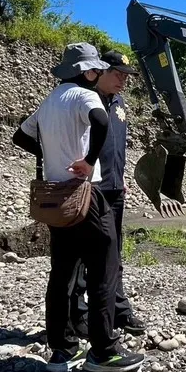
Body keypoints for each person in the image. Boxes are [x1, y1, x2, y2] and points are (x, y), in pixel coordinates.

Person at [11, 42, 145, 372]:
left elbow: (20, 137)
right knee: (104, 269)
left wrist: (48, 156)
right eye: (97, 69)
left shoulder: (49, 102)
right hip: (87, 196)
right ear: (87, 71)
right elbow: (101, 123)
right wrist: (87, 161)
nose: (99, 74)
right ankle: (104, 351)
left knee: (62, 274)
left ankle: (61, 351)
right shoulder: (85, 95)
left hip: (58, 198)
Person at [69, 49, 146, 337]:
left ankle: (117, 310)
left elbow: (117, 146)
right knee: (81, 255)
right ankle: (77, 315)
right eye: (117, 74)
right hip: (87, 189)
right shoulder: (83, 100)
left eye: (126, 76)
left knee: (113, 254)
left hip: (114, 189)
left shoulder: (119, 102)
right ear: (99, 71)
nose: (122, 80)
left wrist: (121, 177)